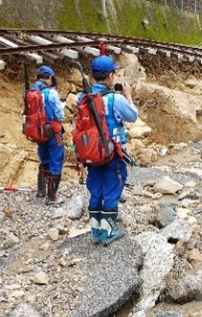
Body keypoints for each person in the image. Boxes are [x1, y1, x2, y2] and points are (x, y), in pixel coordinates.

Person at [82, 56, 139, 245]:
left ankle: (96, 231)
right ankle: (108, 232)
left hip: (91, 153)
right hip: (112, 153)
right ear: (110, 75)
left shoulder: (84, 98)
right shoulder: (115, 98)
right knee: (112, 190)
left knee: (96, 190)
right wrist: (128, 95)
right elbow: (132, 116)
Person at [31, 65, 65, 205]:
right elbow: (60, 115)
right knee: (56, 161)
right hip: (52, 132)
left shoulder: (31, 92)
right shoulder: (51, 93)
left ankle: (41, 190)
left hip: (38, 132)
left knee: (44, 159)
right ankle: (52, 197)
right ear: (50, 78)